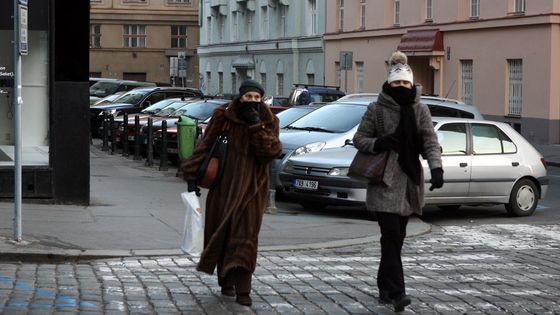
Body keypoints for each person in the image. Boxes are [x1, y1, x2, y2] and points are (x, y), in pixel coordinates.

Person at [353, 51, 444, 312]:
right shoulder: (376, 109)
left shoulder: (420, 109)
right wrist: (379, 143)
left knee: (395, 239)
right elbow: (359, 139)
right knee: (391, 236)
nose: (401, 87)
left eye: (405, 83)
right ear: (389, 83)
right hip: (384, 181)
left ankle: (384, 286)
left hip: (409, 180)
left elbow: (429, 140)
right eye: (397, 83)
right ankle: (397, 293)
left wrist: (436, 168)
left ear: (411, 84)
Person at [181, 79, 282, 306]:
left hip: (252, 190)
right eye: (249, 97)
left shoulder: (268, 120)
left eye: (257, 98)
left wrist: (256, 126)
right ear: (241, 97)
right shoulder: (223, 117)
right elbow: (204, 147)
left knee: (245, 238)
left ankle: (244, 290)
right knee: (222, 234)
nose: (253, 102)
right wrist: (191, 175)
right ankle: (225, 281)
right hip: (223, 188)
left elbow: (272, 152)